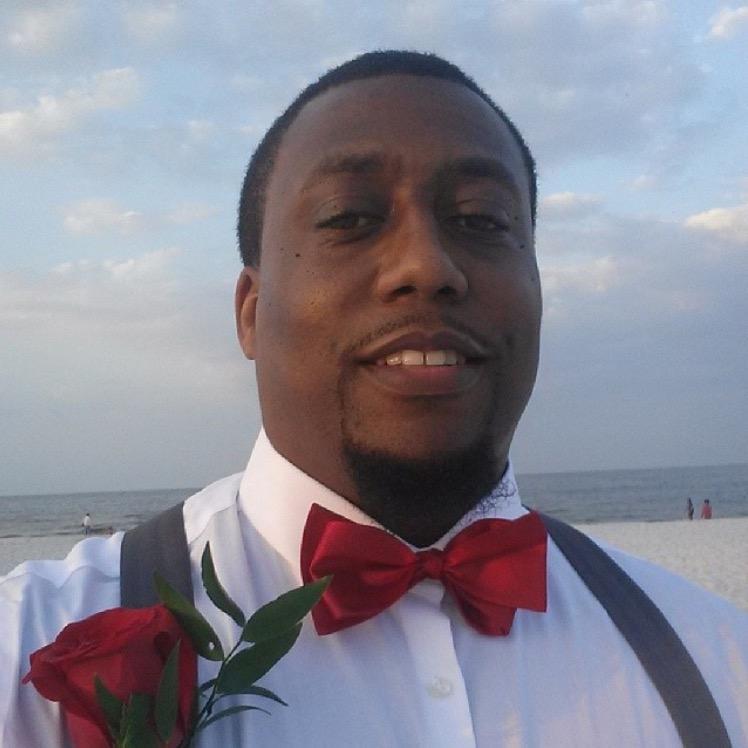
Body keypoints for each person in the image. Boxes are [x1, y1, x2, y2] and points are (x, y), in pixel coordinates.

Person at [1, 51, 746, 747]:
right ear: (251, 313)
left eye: (482, 219)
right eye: (348, 218)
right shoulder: (27, 651)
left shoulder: (716, 661)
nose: (427, 265)